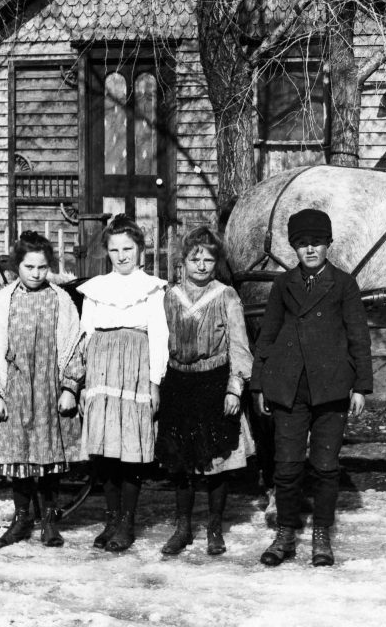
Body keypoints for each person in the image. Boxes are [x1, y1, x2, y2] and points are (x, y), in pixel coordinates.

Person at [250, 208, 373, 567]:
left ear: (328, 244)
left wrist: (361, 387)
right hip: (289, 388)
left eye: (317, 243)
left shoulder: (344, 284)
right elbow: (267, 336)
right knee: (286, 467)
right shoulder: (282, 285)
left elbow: (358, 338)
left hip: (331, 389)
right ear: (293, 248)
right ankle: (286, 533)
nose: (310, 250)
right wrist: (260, 384)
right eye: (302, 244)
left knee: (324, 466)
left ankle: (321, 534)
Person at [0, 231, 85, 548]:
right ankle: (22, 518)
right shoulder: (3, 301)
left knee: (48, 455)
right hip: (13, 388)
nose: (36, 273)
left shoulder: (61, 300)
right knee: (19, 456)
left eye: (42, 267)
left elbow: (75, 346)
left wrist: (70, 387)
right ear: (18, 266)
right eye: (29, 267)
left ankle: (50, 520)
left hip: (49, 389)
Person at [155, 227, 255, 556]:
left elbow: (240, 346)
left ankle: (214, 527)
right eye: (194, 259)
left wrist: (234, 389)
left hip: (215, 383)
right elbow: (158, 343)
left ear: (216, 262)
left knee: (217, 462)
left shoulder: (226, 295)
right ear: (182, 261)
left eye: (208, 259)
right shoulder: (170, 296)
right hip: (180, 384)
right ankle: (183, 527)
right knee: (182, 463)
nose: (201, 265)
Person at [77, 214, 169, 553]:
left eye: (128, 248)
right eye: (114, 250)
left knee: (130, 449)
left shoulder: (152, 289)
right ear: (107, 253)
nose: (122, 255)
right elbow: (85, 335)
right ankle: (111, 518)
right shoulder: (96, 289)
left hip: (135, 371)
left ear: (140, 250)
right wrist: (85, 381)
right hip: (101, 372)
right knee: (104, 450)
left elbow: (159, 337)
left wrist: (154, 382)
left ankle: (127, 522)